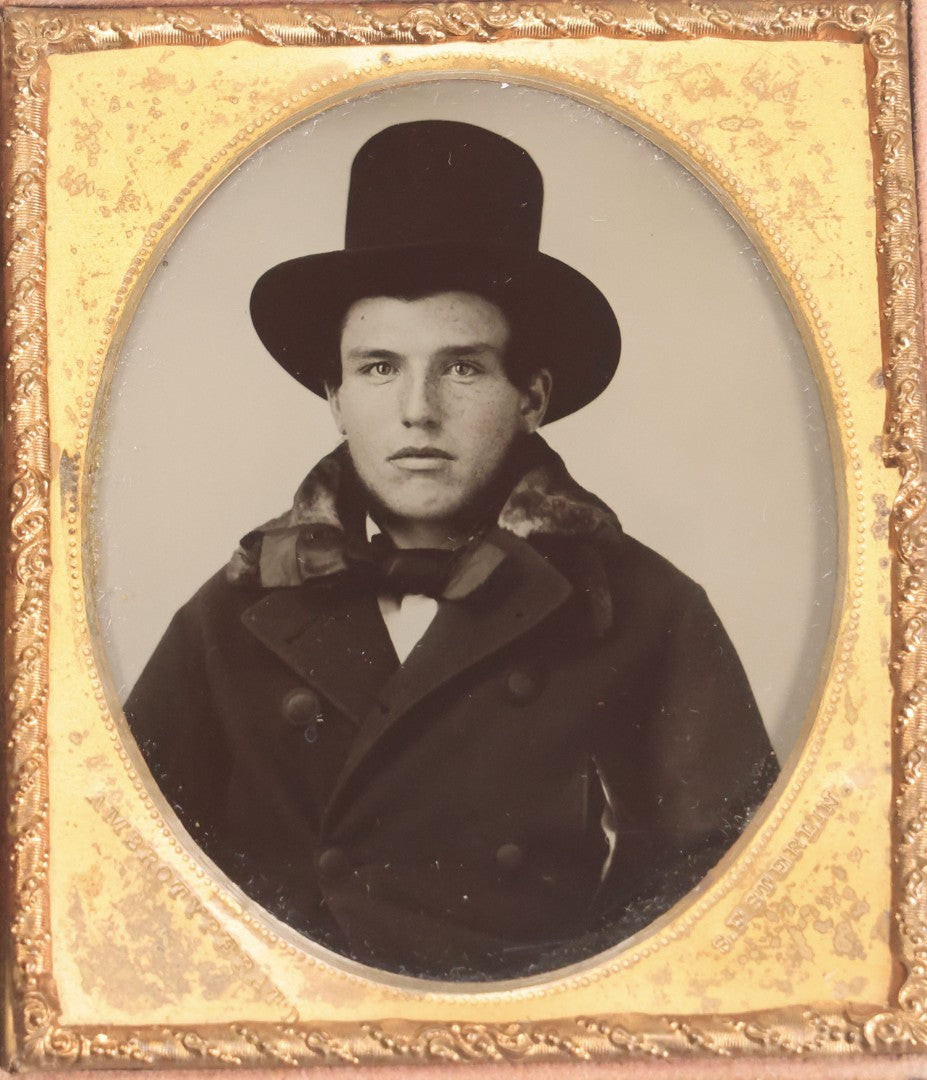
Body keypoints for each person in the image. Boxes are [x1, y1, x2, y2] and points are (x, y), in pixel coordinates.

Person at [125, 120, 779, 981]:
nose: (417, 412)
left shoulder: (644, 609)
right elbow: (121, 866)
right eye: (379, 368)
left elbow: (727, 894)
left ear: (531, 397)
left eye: (462, 368)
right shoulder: (241, 607)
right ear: (335, 394)